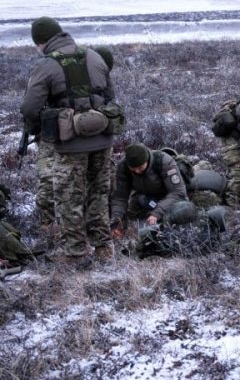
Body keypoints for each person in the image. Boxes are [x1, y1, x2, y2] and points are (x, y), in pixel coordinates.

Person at [19, 17, 115, 269]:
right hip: (103, 138)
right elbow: (110, 97)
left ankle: (75, 253)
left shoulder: (47, 64)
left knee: (68, 197)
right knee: (98, 193)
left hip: (70, 143)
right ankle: (103, 248)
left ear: (40, 42)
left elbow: (29, 108)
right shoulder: (95, 56)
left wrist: (42, 128)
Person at [34, 45, 115, 235]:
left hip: (70, 139)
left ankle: (60, 230)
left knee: (77, 185)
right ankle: (52, 227)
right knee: (60, 183)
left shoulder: (72, 70)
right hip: (64, 137)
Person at [110, 143, 190, 235]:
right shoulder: (123, 166)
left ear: (147, 160)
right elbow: (120, 197)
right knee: (131, 219)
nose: (137, 171)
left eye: (140, 167)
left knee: (176, 216)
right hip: (145, 198)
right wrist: (116, 220)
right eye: (133, 169)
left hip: (169, 198)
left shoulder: (164, 161)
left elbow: (178, 192)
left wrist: (157, 213)